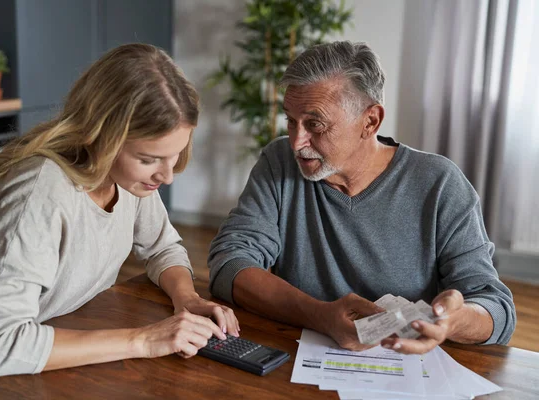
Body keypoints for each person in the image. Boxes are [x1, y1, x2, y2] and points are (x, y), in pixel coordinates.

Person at [0, 43, 239, 378]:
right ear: (102, 135)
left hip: (54, 355)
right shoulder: (40, 195)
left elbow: (163, 248)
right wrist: (143, 340)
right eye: (149, 159)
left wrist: (187, 299)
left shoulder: (128, 181)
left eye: (175, 156)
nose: (167, 175)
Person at [208, 41, 515, 355]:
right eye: (290, 120)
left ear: (370, 122)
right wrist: (319, 315)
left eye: (315, 124)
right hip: (296, 360)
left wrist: (453, 322)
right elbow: (230, 263)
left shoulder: (440, 183)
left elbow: (496, 308)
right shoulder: (279, 162)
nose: (297, 142)